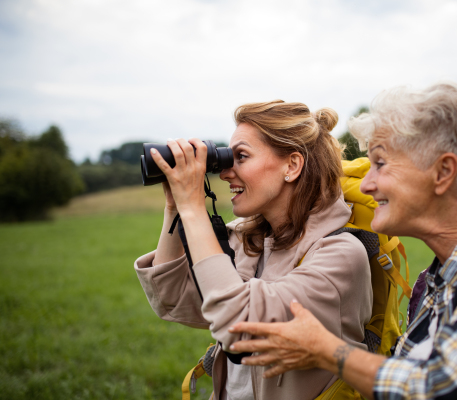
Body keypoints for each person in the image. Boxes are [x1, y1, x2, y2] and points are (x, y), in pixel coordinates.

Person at [228, 83, 457, 399]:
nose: (367, 184)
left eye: (380, 163)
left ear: (443, 172)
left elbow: (447, 389)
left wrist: (328, 351)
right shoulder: (430, 287)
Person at [133, 100, 372, 400]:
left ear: (292, 165)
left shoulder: (340, 254)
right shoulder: (250, 241)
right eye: (228, 158)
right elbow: (173, 298)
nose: (225, 173)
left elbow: (240, 328)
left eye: (241, 156)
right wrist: (175, 206)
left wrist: (194, 209)